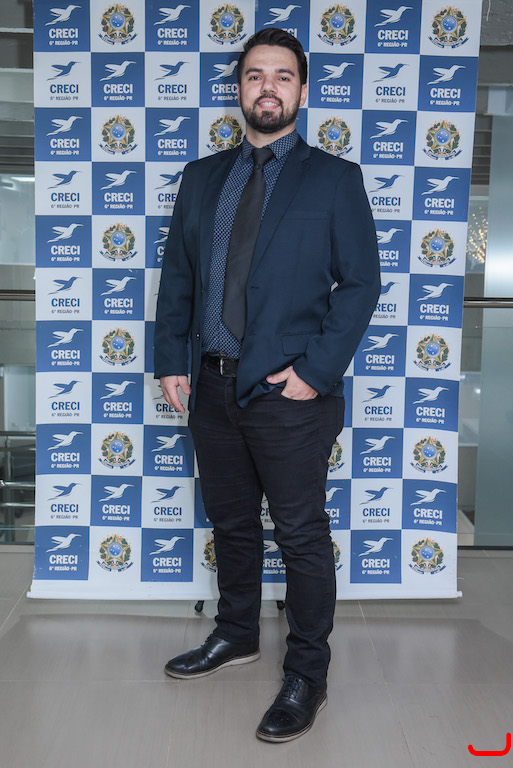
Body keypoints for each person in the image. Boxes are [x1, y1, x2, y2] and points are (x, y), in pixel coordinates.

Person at [154, 27, 380, 742]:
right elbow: (179, 278)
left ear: (301, 92)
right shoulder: (201, 178)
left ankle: (307, 673)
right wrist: (170, 360)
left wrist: (314, 373)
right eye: (255, 75)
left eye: (282, 76)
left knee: (301, 534)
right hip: (210, 386)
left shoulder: (334, 179)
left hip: (289, 396)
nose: (268, 87)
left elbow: (361, 285)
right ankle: (237, 632)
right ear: (239, 89)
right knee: (230, 523)